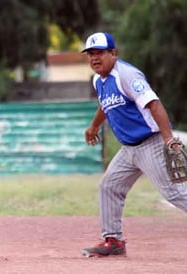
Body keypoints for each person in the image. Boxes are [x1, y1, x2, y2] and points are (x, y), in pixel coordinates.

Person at [80, 32, 187, 257]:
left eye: (99, 53)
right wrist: (94, 126)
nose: (94, 58)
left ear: (113, 53)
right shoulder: (98, 80)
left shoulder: (127, 75)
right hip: (128, 149)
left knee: (174, 193)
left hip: (150, 144)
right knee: (109, 187)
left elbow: (154, 104)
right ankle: (113, 241)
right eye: (90, 54)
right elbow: (104, 105)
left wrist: (168, 138)